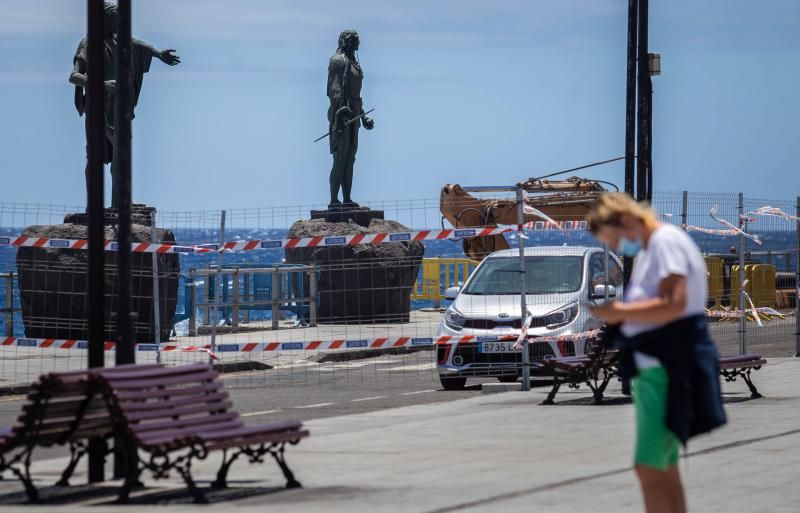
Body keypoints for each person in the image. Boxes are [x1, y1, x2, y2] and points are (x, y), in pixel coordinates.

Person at [586, 192, 726, 513]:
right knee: (664, 464)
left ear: (625, 221)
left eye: (614, 240)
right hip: (657, 367)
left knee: (648, 465)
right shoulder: (655, 247)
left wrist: (620, 311)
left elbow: (673, 303)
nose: (619, 248)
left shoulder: (664, 242)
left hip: (664, 369)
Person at [70, 2, 180, 208]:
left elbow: (138, 45)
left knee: (122, 154)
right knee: (95, 157)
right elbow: (74, 76)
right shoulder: (89, 43)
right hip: (98, 110)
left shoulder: (120, 41)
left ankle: (121, 200)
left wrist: (158, 54)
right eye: (114, 19)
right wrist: (101, 85)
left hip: (119, 110)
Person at [326, 30, 374, 207]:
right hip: (341, 118)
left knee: (350, 158)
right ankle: (333, 200)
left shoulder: (355, 63)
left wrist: (363, 117)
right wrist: (340, 112)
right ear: (346, 41)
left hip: (354, 115)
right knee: (340, 157)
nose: (357, 43)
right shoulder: (337, 61)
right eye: (354, 40)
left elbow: (356, 96)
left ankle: (347, 199)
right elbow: (334, 90)